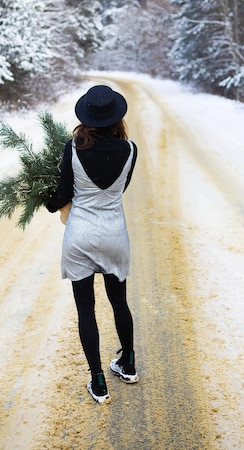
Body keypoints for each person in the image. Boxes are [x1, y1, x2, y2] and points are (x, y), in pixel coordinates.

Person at [46, 84, 139, 404]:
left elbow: (62, 195)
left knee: (86, 309)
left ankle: (98, 381)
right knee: (119, 302)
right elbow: (119, 188)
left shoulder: (73, 148)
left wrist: (46, 198)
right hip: (114, 236)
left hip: (80, 237)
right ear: (116, 118)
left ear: (86, 116)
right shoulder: (131, 151)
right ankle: (128, 363)